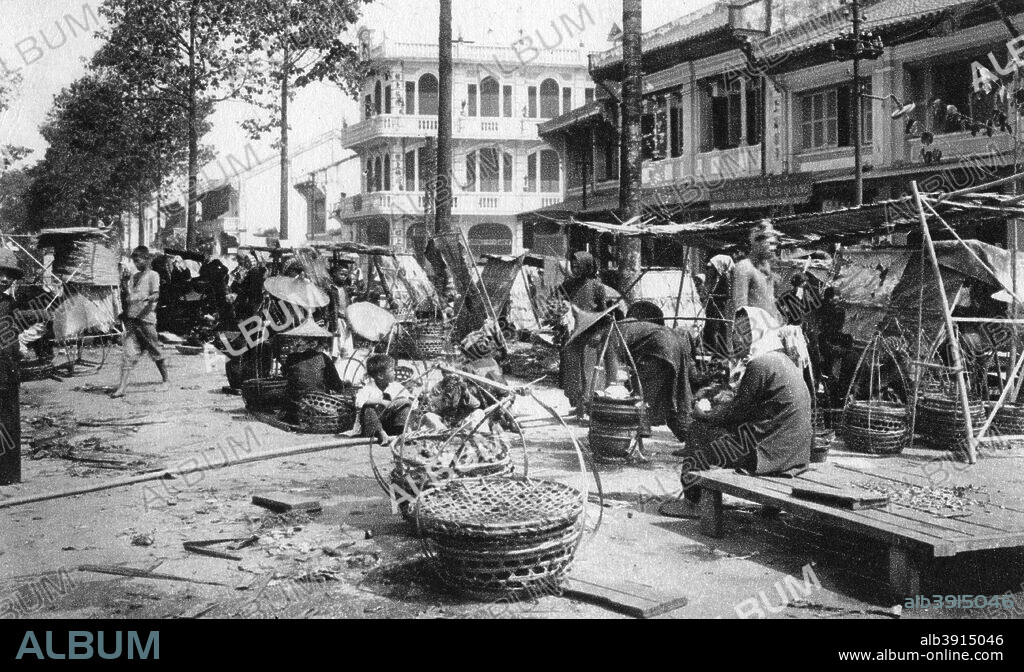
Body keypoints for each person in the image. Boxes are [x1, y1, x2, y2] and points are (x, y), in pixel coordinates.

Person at [678, 306, 813, 507]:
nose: (737, 340)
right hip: (795, 453)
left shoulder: (760, 364)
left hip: (771, 454)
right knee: (725, 432)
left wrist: (703, 414)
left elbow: (735, 414)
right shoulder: (783, 360)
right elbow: (751, 409)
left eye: (745, 333)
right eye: (735, 333)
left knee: (698, 431)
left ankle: (692, 501)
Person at [112, 246, 168, 399]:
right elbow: (129, 295)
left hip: (146, 319)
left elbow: (156, 294)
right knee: (128, 354)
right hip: (132, 318)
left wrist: (149, 299)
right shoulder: (135, 277)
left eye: (139, 260)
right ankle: (122, 387)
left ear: (147, 259)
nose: (137, 264)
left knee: (155, 350)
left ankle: (166, 380)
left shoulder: (153, 275)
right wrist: (124, 285)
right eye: (135, 261)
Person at [0, 250, 24, 484]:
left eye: (9, 275)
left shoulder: (9, 303)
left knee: (9, 421)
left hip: (8, 371)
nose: (4, 279)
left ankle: (7, 475)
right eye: (0, 273)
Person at [731, 221, 782, 328]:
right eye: (770, 243)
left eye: (775, 244)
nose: (773, 248)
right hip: (755, 333)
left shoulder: (767, 268)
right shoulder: (744, 267)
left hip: (771, 332)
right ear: (757, 243)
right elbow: (740, 309)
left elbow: (770, 303)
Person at [355, 354, 414, 444]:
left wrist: (401, 402)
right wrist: (381, 401)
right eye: (391, 370)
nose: (394, 372)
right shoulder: (368, 388)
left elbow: (410, 401)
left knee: (405, 405)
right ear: (380, 376)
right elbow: (358, 402)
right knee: (368, 408)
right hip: (373, 426)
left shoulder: (396, 386)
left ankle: (401, 432)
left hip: (391, 424)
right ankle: (380, 433)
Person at [279, 320, 345, 399]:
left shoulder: (292, 357)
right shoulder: (323, 358)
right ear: (316, 342)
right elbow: (336, 385)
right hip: (316, 400)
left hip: (295, 399)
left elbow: (286, 374)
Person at [703, 254, 734, 357]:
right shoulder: (718, 276)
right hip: (714, 304)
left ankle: (720, 351)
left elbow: (727, 294)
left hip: (719, 305)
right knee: (712, 327)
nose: (709, 270)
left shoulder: (725, 277)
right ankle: (711, 349)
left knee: (720, 327)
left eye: (711, 268)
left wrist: (713, 295)